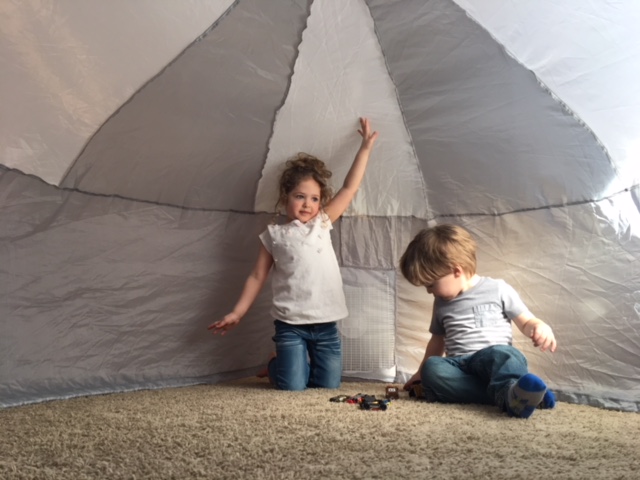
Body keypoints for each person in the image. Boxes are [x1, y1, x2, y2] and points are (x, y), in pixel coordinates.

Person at [208, 117, 379, 391]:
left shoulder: (322, 224)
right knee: (291, 387)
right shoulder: (273, 235)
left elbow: (349, 188)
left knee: (328, 386)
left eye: (314, 199)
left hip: (326, 325)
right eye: (300, 196)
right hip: (290, 325)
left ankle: (294, 364)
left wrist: (365, 149)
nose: (307, 204)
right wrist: (237, 312)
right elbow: (256, 276)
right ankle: (278, 364)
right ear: (285, 197)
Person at [399, 224, 557, 418]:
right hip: (460, 367)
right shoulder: (441, 303)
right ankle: (516, 396)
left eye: (430, 284)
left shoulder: (498, 289)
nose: (429, 291)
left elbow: (526, 322)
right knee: (433, 368)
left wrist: (540, 326)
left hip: (492, 364)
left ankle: (513, 392)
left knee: (505, 354)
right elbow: (437, 341)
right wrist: (420, 373)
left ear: (456, 271)